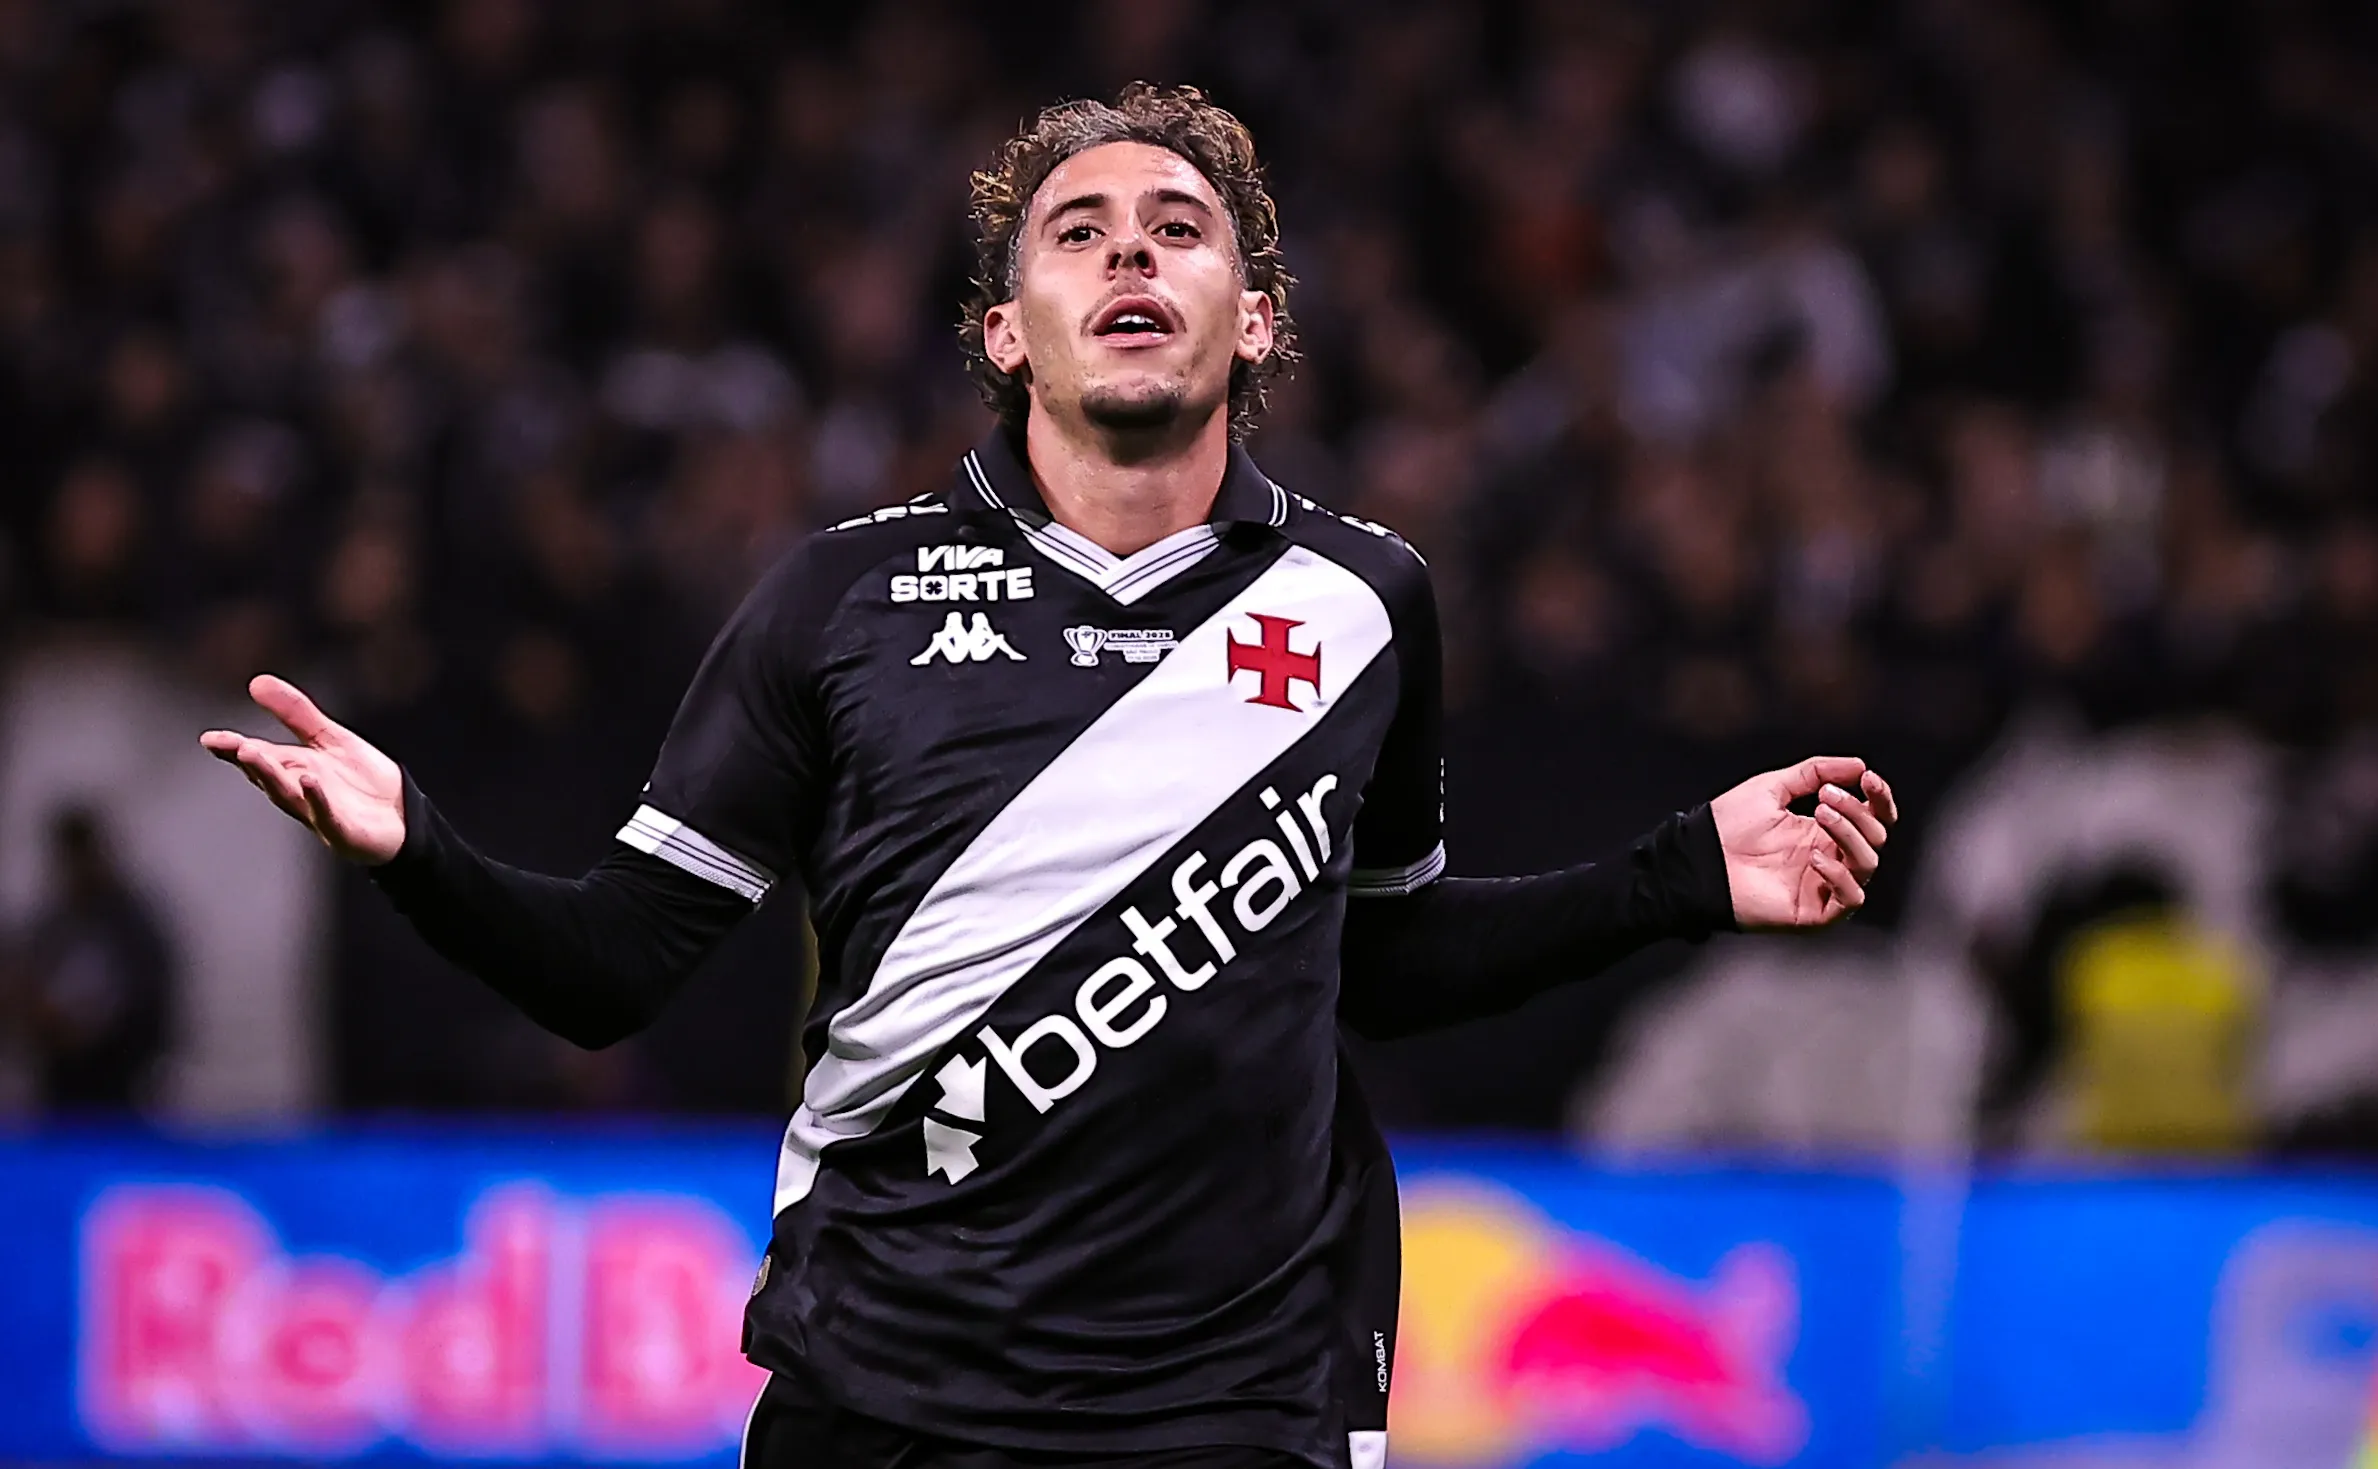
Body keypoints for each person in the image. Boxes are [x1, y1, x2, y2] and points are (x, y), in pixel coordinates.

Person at [205, 85, 1897, 1469]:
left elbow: (1376, 953)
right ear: (1008, 332)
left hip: (1238, 1398)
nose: (1129, 257)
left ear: (1255, 320)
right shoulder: (838, 597)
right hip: (889, 1390)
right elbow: (607, 967)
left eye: (1177, 230)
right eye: (1075, 235)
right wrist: (414, 841)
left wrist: (1679, 869)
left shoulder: (1364, 601)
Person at [10, 807, 176, 1112]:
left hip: (121, 1077)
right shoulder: (54, 923)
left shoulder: (131, 924)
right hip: (62, 1079)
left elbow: (150, 996)